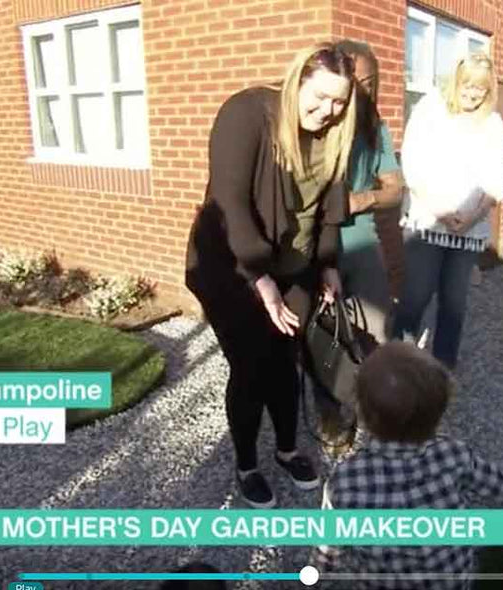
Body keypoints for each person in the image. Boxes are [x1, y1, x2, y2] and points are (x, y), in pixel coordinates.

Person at [184, 43, 357, 508]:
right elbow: (230, 207)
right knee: (251, 367)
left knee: (285, 359)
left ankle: (285, 449)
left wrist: (328, 265)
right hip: (233, 266)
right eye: (319, 97)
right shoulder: (246, 114)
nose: (328, 111)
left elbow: (330, 209)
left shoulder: (336, 133)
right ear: (297, 80)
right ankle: (245, 463)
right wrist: (260, 282)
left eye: (339, 102)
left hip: (294, 266)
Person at [314, 341, 503, 589]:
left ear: (363, 414)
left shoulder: (344, 485)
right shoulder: (453, 456)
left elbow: (327, 553)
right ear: (437, 416)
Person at [392, 52, 503, 368]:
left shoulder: (493, 123)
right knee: (416, 296)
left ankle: (442, 369)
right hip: (428, 221)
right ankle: (396, 364)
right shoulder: (430, 108)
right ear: (456, 81)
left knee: (454, 304)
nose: (472, 94)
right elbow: (412, 164)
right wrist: (441, 209)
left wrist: (471, 216)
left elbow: (496, 180)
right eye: (467, 85)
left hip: (468, 230)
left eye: (480, 89)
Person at [333, 40, 404, 343]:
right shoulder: (320, 122)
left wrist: (363, 199)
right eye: (354, 83)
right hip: (317, 248)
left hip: (361, 245)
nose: (363, 92)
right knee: (324, 341)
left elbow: (396, 190)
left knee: (374, 337)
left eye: (369, 83)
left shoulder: (376, 128)